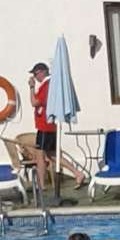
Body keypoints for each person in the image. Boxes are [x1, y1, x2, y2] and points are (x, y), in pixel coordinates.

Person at [28, 60, 86, 195]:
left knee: (40, 155)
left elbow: (34, 102)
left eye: (36, 74)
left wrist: (31, 88)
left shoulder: (47, 86)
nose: (35, 77)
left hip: (45, 125)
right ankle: (77, 173)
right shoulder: (48, 85)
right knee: (52, 155)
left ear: (42, 72)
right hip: (48, 125)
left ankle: (41, 186)